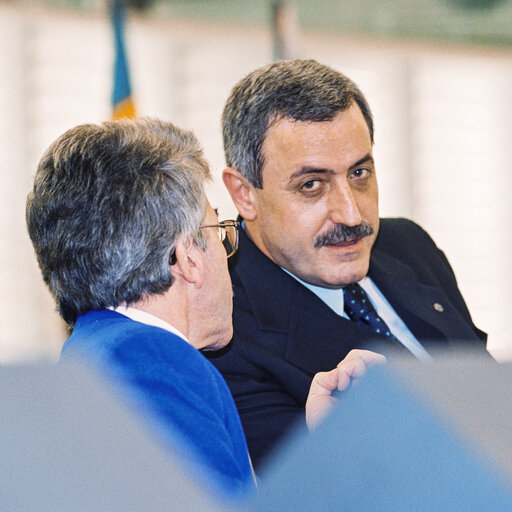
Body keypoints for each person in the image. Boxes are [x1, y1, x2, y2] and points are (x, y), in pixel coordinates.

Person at [26, 117, 381, 498]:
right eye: (221, 233)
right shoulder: (157, 363)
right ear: (186, 258)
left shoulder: (97, 354)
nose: (228, 254)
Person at [206, 59, 489, 471]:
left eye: (359, 173)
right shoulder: (226, 337)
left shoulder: (408, 245)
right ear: (244, 193)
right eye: (311, 185)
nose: (352, 215)